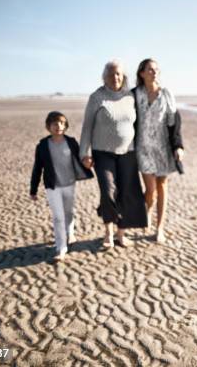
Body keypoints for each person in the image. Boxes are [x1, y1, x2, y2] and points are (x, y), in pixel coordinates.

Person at [79, 60, 147, 248]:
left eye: (118, 74)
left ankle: (120, 233)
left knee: (126, 192)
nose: (115, 77)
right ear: (104, 76)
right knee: (108, 192)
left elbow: (139, 124)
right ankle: (108, 231)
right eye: (111, 74)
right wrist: (84, 153)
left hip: (128, 152)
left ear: (123, 76)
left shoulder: (130, 96)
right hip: (102, 153)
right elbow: (87, 127)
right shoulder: (97, 97)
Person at [30, 111, 93, 262]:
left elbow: (80, 158)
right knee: (58, 217)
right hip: (52, 186)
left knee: (68, 211)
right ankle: (61, 247)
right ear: (48, 127)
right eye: (54, 123)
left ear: (65, 126)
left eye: (62, 123)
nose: (58, 126)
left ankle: (70, 232)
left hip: (69, 184)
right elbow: (37, 168)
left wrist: (88, 163)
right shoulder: (43, 146)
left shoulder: (71, 142)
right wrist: (33, 189)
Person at [133, 58, 184, 243]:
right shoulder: (135, 94)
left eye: (156, 69)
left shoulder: (166, 94)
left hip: (163, 147)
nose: (153, 72)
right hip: (143, 147)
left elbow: (175, 121)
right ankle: (147, 209)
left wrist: (178, 146)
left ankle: (159, 227)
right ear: (142, 73)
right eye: (149, 69)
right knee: (150, 189)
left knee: (162, 186)